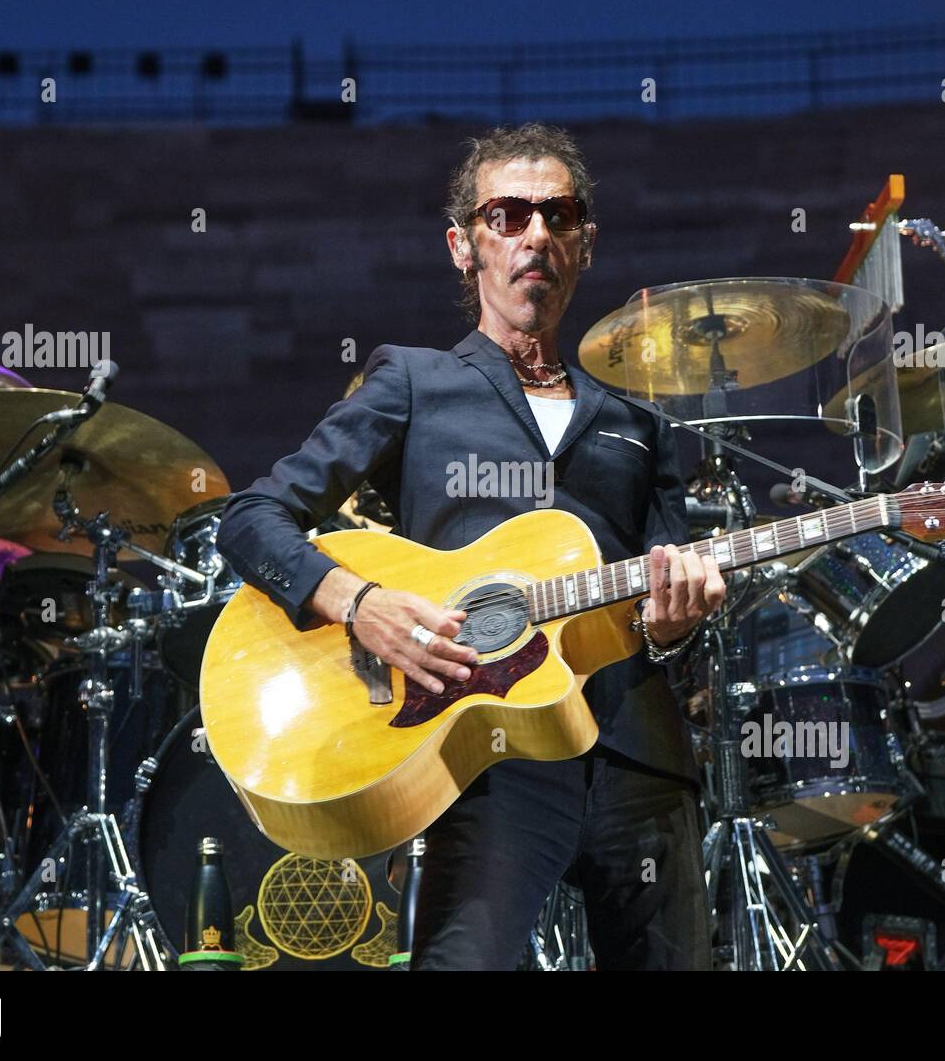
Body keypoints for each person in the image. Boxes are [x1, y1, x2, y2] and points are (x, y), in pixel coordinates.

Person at [217, 123, 725, 970]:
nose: (535, 235)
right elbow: (250, 518)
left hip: (635, 743)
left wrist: (676, 623)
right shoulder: (415, 381)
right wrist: (360, 603)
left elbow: (664, 602)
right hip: (485, 744)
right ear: (463, 246)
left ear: (584, 243)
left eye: (558, 216)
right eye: (507, 214)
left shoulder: (642, 423)